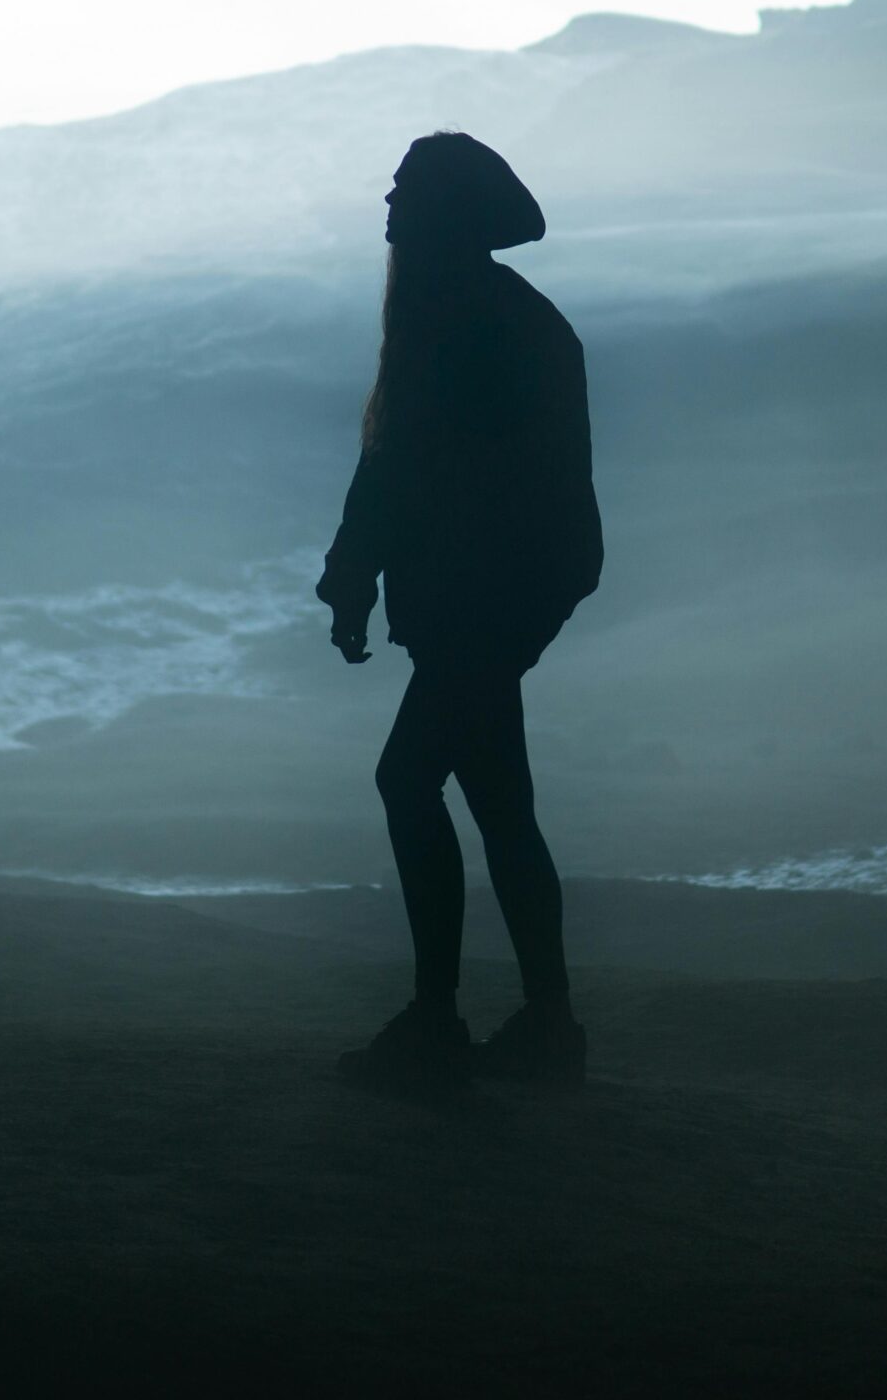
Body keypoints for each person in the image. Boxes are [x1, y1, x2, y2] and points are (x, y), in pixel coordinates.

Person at [317, 131, 602, 1089]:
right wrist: (359, 576)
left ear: (441, 213)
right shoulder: (482, 316)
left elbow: (407, 474)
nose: (388, 210)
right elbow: (399, 471)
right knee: (499, 804)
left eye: (404, 194)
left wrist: (356, 578)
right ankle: (546, 1023)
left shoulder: (472, 324)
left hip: (485, 602)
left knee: (408, 781)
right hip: (492, 601)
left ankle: (441, 1021)